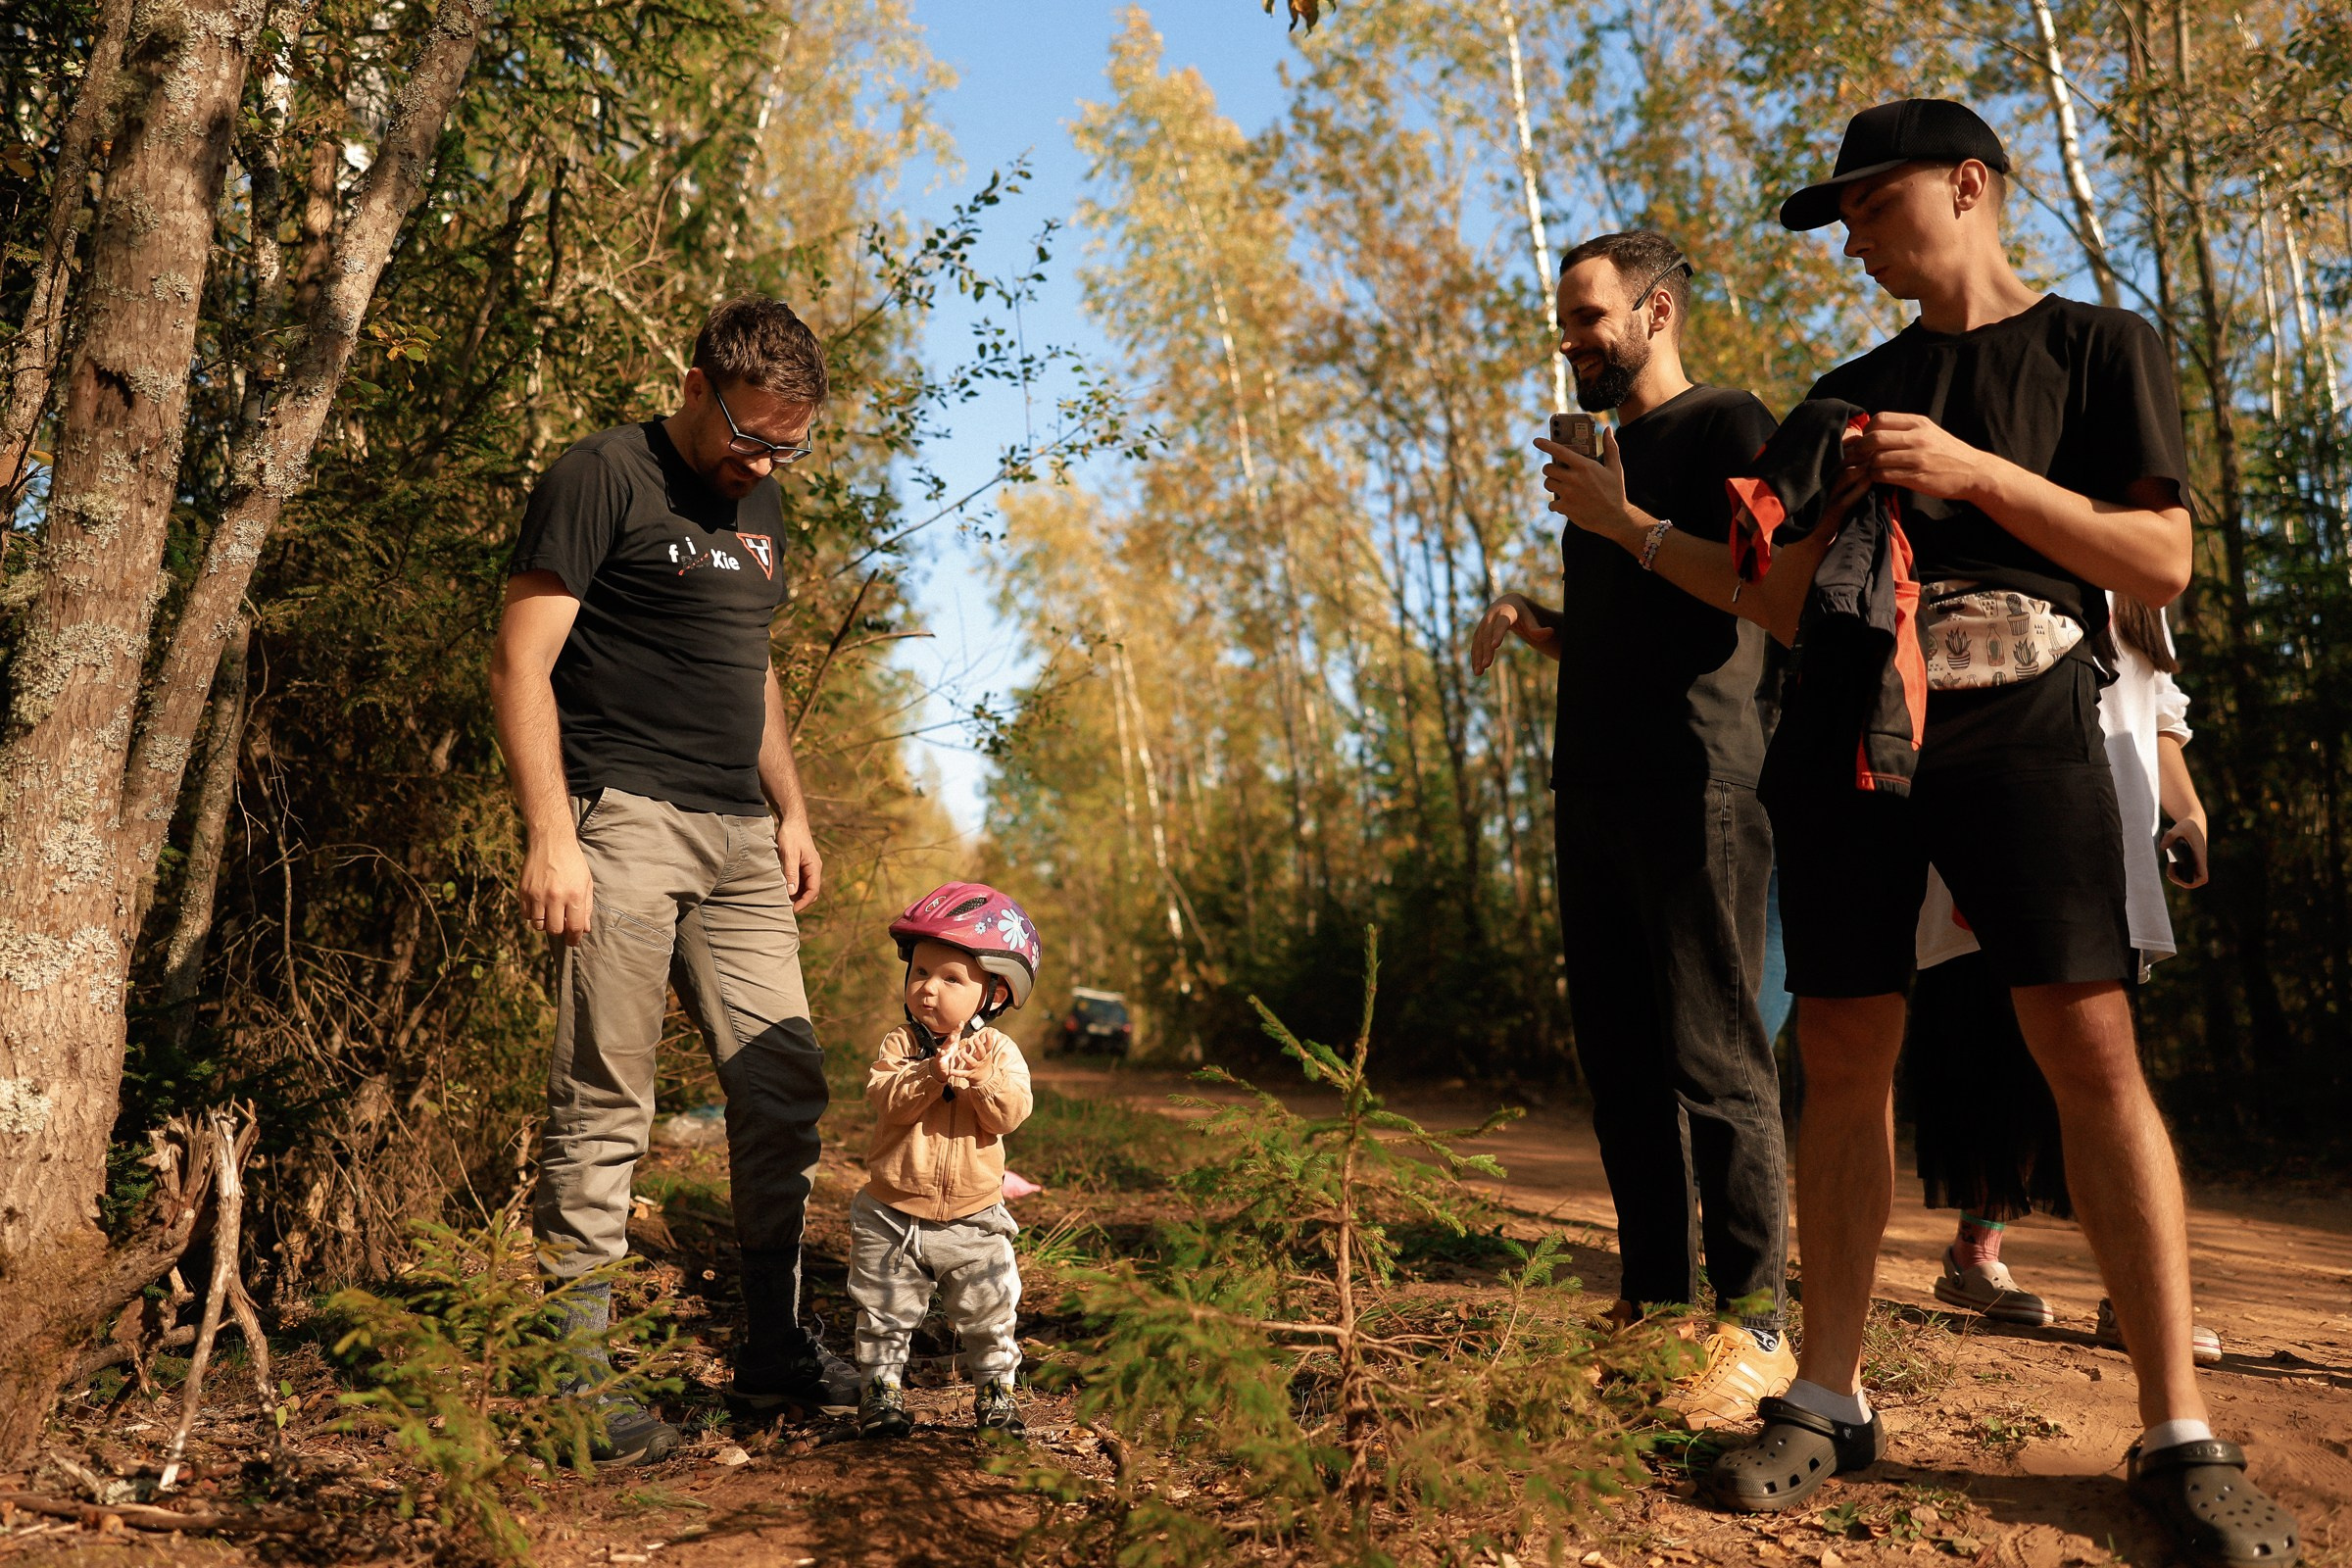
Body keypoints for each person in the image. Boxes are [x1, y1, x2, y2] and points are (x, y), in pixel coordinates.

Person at [1697, 100, 2297, 1568]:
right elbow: (1775, 606)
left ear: (1969, 186)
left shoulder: (2101, 350)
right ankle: (1827, 1399)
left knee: (2087, 1049)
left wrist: (1978, 477)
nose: (1850, 236)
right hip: (1855, 722)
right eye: (1836, 215)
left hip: (2032, 707)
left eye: (1868, 203)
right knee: (1842, 1050)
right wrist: (1701, 533)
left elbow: (2160, 559)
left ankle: (2176, 1434)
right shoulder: (1840, 393)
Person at [491, 297, 857, 1464]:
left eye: (788, 445)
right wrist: (553, 833)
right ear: (696, 387)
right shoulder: (603, 475)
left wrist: (792, 809)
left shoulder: (768, 502)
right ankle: (570, 1385)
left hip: (742, 835)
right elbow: (520, 659)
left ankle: (774, 1344)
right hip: (625, 818)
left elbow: (751, 672)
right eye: (751, 434)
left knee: (783, 1081)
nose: (763, 460)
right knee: (607, 1098)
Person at [1471, 230, 1793, 1430]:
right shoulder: (1607, 455)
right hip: (1592, 786)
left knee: (1716, 1059)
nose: (1570, 339)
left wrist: (1621, 522)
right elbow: (1644, 616)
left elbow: (1765, 588)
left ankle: (1755, 1321)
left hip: (1702, 782)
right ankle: (1655, 1307)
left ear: (1658, 313)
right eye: (1564, 318)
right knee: (1619, 1065)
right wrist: (1545, 620)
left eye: (1590, 315)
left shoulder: (1727, 427)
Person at [1914, 592, 2218, 1367]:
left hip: (2107, 856)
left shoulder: (2138, 590)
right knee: (2002, 1058)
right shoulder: (2017, 556)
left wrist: (2189, 817)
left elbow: (2160, 720)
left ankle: (2134, 1296)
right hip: (2005, 833)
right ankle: (1975, 1254)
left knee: (2099, 1069)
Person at [852, 882, 1039, 1441]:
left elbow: (1010, 1114)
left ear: (995, 995)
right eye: (919, 974)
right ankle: (881, 1393)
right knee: (883, 1311)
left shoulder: (1000, 1053)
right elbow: (886, 1099)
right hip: (891, 1215)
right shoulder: (900, 1046)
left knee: (989, 1310)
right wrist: (932, 1074)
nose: (928, 989)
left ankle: (996, 1393)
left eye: (951, 979)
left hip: (973, 1218)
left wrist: (980, 1081)